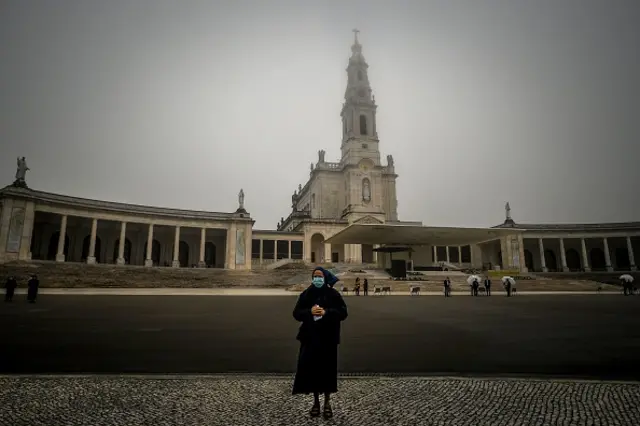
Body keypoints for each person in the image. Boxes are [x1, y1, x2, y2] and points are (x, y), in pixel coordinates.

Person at [292, 267, 348, 419]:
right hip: (310, 338)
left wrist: (327, 313)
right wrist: (309, 312)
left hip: (328, 338)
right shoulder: (306, 294)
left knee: (327, 371)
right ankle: (316, 402)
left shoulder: (333, 294)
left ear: (325, 278)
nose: (317, 279)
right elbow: (296, 313)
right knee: (313, 371)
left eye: (319, 276)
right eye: (315, 276)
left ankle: (327, 403)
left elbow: (343, 312)